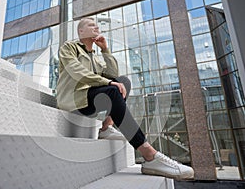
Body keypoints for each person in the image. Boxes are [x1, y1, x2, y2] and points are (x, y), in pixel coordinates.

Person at [56, 17, 194, 180]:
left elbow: (113, 76)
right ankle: (149, 155)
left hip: (89, 101)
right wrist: (107, 82)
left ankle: (106, 128)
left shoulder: (97, 58)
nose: (96, 27)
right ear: (81, 31)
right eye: (91, 25)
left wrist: (105, 50)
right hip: (73, 101)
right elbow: (77, 72)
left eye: (96, 25)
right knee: (114, 89)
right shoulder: (69, 47)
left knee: (123, 82)